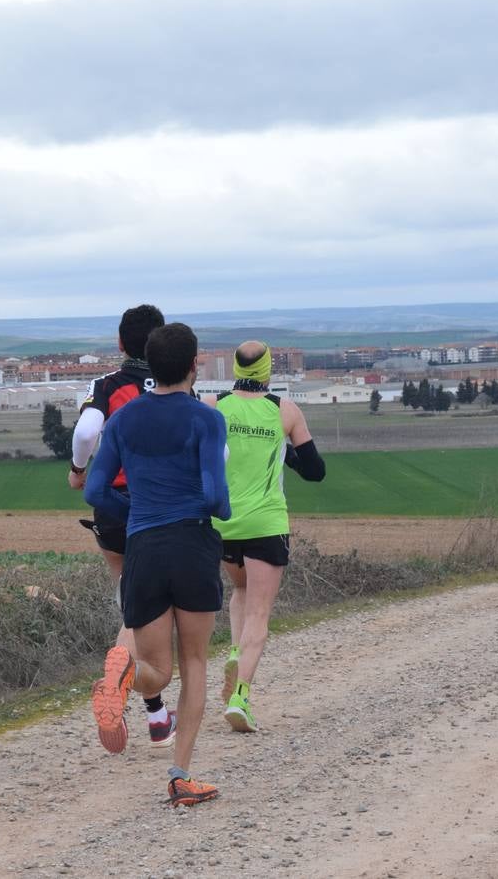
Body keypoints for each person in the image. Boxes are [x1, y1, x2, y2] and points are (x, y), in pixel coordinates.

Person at [85, 322, 230, 806]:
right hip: (191, 543)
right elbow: (214, 494)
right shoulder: (205, 419)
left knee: (156, 669)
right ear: (194, 365)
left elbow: (93, 490)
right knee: (193, 664)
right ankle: (181, 775)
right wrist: (218, 513)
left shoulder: (123, 421)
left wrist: (138, 515)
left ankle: (124, 673)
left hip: (143, 547)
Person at [67, 304, 177, 749]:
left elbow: (86, 430)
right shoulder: (176, 386)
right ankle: (130, 687)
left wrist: (77, 470)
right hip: (162, 507)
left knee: (131, 598)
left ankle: (156, 713)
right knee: (153, 613)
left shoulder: (107, 385)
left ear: (119, 343)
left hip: (113, 508)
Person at [208, 341, 325, 733]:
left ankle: (235, 650)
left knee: (239, 590)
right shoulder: (284, 411)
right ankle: (240, 695)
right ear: (268, 370)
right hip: (266, 524)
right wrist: (283, 448)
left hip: (223, 523)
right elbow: (315, 471)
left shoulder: (214, 404)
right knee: (259, 612)